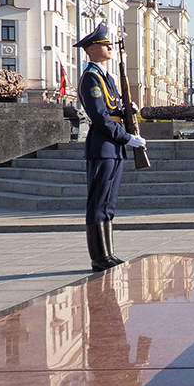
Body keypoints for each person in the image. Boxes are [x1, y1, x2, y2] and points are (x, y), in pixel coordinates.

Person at [75, 22, 146, 272]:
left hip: (113, 147)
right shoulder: (90, 78)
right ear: (92, 49)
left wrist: (129, 111)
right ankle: (98, 257)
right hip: (103, 145)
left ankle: (108, 253)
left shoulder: (106, 77)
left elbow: (113, 108)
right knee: (98, 202)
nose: (109, 48)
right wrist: (127, 137)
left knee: (109, 203)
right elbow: (100, 117)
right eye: (104, 45)